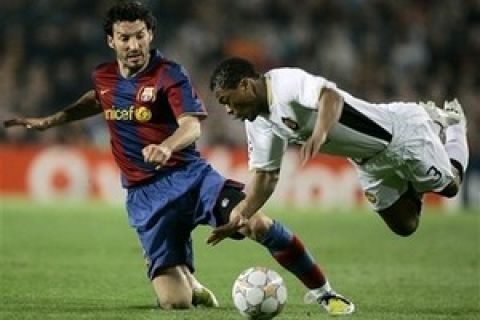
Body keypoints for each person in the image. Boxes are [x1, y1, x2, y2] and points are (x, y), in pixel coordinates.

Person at [4, 2, 355, 315]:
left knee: (254, 222)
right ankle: (192, 283)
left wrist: (168, 146)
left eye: (140, 36)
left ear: (150, 34)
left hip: (191, 179)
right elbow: (98, 98)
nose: (134, 45)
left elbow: (192, 125)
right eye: (124, 38)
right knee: (176, 303)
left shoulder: (169, 74)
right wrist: (53, 120)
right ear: (111, 41)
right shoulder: (104, 76)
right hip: (145, 197)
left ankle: (324, 293)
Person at [207, 56, 468, 241]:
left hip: (401, 136)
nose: (229, 110)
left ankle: (451, 125)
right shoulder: (259, 122)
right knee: (405, 225)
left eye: (227, 101)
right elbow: (265, 177)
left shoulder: (284, 83)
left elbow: (330, 96)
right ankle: (416, 178)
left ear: (244, 85)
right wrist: (240, 216)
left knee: (450, 187)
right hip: (367, 161)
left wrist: (319, 133)